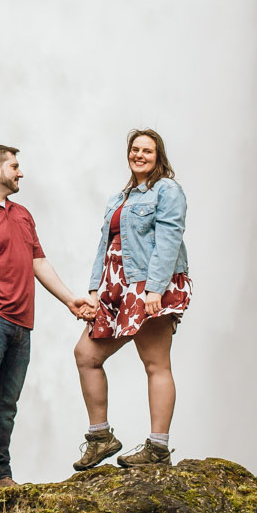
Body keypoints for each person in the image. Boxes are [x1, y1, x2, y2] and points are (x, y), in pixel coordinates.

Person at [0, 143, 92, 493]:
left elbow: (38, 262)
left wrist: (71, 299)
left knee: (7, 402)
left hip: (22, 323)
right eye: (15, 165)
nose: (20, 172)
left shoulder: (22, 214)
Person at [72, 129, 190, 470]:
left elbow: (169, 238)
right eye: (135, 149)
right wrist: (95, 291)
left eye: (147, 150)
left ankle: (157, 448)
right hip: (115, 291)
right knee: (85, 355)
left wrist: (155, 289)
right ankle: (101, 438)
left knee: (155, 364)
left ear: (158, 155)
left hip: (146, 287)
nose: (140, 155)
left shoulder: (167, 190)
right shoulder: (119, 198)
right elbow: (104, 247)